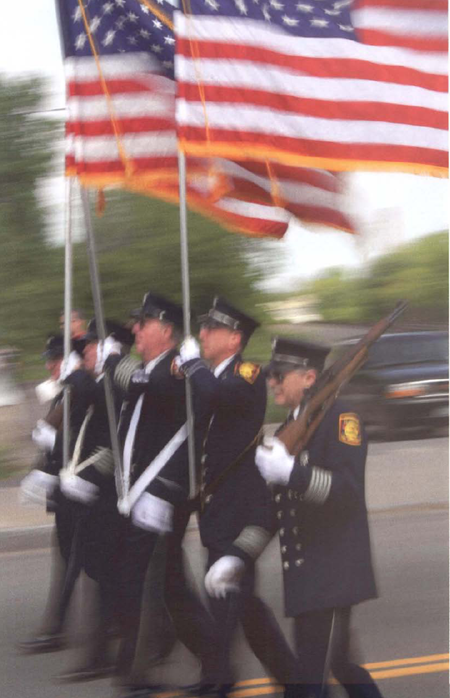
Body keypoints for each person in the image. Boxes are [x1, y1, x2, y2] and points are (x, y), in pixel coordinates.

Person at [176, 297, 299, 698]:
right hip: (217, 510)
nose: (202, 335)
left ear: (234, 338)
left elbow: (214, 397)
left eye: (210, 329)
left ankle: (219, 682)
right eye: (202, 329)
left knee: (227, 605)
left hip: (242, 511)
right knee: (244, 609)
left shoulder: (246, 375)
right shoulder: (211, 377)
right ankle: (298, 685)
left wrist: (193, 364)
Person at [101, 293, 217, 698]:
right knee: (167, 586)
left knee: (142, 584)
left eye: (143, 322)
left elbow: (144, 382)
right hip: (140, 497)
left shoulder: (172, 369)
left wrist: (112, 359)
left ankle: (137, 674)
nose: (134, 328)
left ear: (165, 330)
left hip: (160, 498)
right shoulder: (152, 370)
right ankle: (214, 662)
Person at [255, 337, 383, 698]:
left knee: (307, 685)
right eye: (271, 374)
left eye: (280, 374)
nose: (272, 381)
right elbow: (276, 509)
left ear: (309, 378)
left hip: (331, 574)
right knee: (342, 665)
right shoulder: (290, 428)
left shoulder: (342, 420)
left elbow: (347, 492)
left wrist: (292, 473)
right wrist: (239, 553)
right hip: (310, 578)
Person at [55, 318, 136, 683]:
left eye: (90, 345)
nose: (83, 351)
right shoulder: (100, 382)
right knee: (103, 573)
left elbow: (113, 439)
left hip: (110, 495)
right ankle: (116, 648)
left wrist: (87, 477)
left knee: (110, 575)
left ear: (108, 348)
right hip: (94, 496)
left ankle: (112, 653)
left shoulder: (113, 386)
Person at [18, 333, 95, 654]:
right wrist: (41, 473)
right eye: (49, 359)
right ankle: (59, 626)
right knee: (70, 559)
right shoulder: (65, 391)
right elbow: (53, 440)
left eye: (56, 358)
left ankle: (57, 628)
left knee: (77, 560)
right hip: (64, 493)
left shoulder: (83, 390)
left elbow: (87, 441)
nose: (50, 365)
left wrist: (55, 447)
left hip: (82, 492)